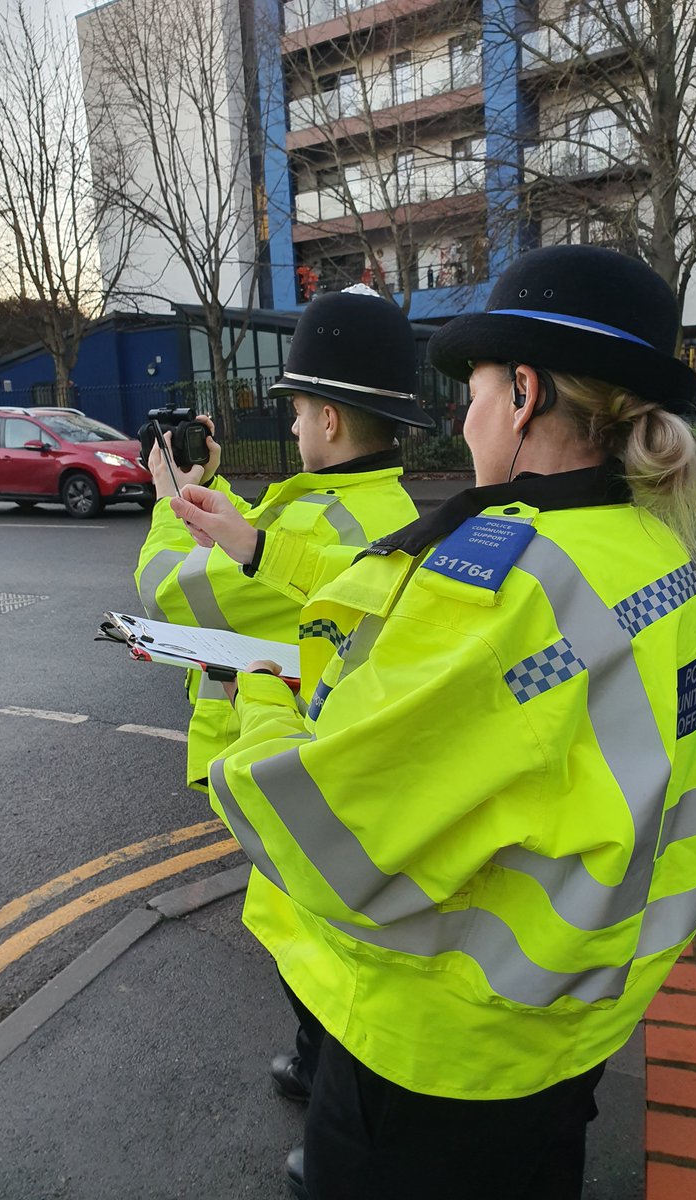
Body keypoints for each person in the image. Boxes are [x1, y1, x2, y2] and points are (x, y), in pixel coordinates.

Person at [171, 245, 696, 1200]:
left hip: (442, 1057)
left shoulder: (506, 593)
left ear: (521, 394)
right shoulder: (654, 554)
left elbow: (321, 825)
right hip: (576, 1028)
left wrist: (256, 684)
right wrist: (262, 549)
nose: (464, 415)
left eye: (472, 387)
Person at [136, 286, 433, 1102]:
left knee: (315, 942)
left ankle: (324, 1087)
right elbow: (257, 548)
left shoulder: (324, 521)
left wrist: (167, 496)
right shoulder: (371, 504)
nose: (294, 425)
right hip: (333, 754)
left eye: (298, 410)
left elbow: (171, 586)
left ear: (329, 420)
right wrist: (207, 494)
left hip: (291, 757)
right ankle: (320, 1068)